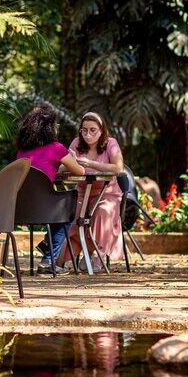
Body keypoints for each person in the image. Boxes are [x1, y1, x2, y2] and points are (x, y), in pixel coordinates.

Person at [14, 103, 85, 274]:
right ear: (49, 128)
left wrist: (58, 165)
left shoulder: (21, 152)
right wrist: (72, 159)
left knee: (59, 209)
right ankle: (47, 260)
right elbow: (80, 171)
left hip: (21, 209)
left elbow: (43, 168)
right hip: (46, 210)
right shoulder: (57, 148)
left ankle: (48, 245)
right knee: (68, 209)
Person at [62, 111, 125, 269]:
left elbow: (118, 168)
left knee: (102, 212)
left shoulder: (110, 143)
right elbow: (62, 167)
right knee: (70, 215)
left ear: (101, 130)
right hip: (83, 193)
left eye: (92, 130)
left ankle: (97, 253)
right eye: (84, 130)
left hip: (107, 194)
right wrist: (70, 162)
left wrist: (89, 163)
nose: (87, 134)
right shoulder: (76, 144)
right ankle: (59, 257)